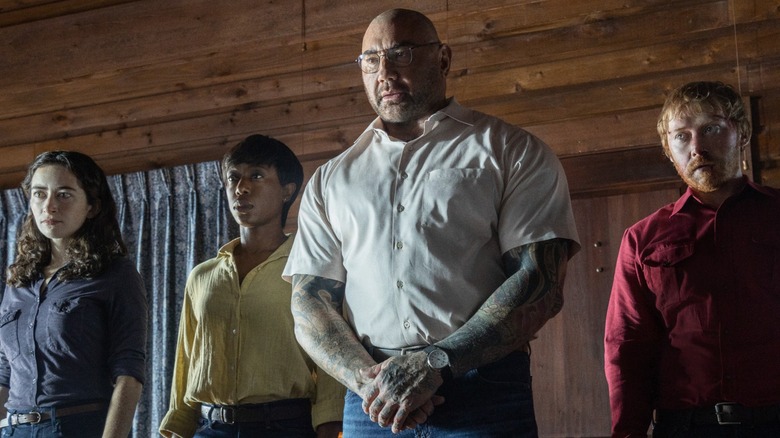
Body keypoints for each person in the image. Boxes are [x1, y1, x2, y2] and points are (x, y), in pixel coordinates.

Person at [283, 8, 580, 437]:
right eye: (370, 59)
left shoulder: (512, 151)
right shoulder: (332, 179)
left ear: (443, 59)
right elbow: (309, 301)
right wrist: (372, 382)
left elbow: (540, 282)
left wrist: (436, 362)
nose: (384, 71)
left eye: (400, 53)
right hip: (373, 400)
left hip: (484, 393)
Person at [604, 81, 780, 437]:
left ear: (741, 133)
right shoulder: (642, 239)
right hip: (685, 427)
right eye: (681, 137)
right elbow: (628, 345)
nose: (697, 147)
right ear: (669, 150)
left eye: (711, 128)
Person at [159, 134, 345, 438]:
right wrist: (176, 428)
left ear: (287, 190)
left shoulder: (308, 269)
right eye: (234, 177)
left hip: (286, 427)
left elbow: (330, 360)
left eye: (257, 175)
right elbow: (187, 363)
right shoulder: (202, 277)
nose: (240, 188)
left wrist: (329, 426)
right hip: (210, 428)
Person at [0, 150, 147, 437]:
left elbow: (129, 375)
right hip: (15, 430)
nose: (49, 206)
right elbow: (4, 372)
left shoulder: (116, 274)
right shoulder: (18, 281)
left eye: (64, 194)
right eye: (40, 194)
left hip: (79, 427)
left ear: (92, 206)